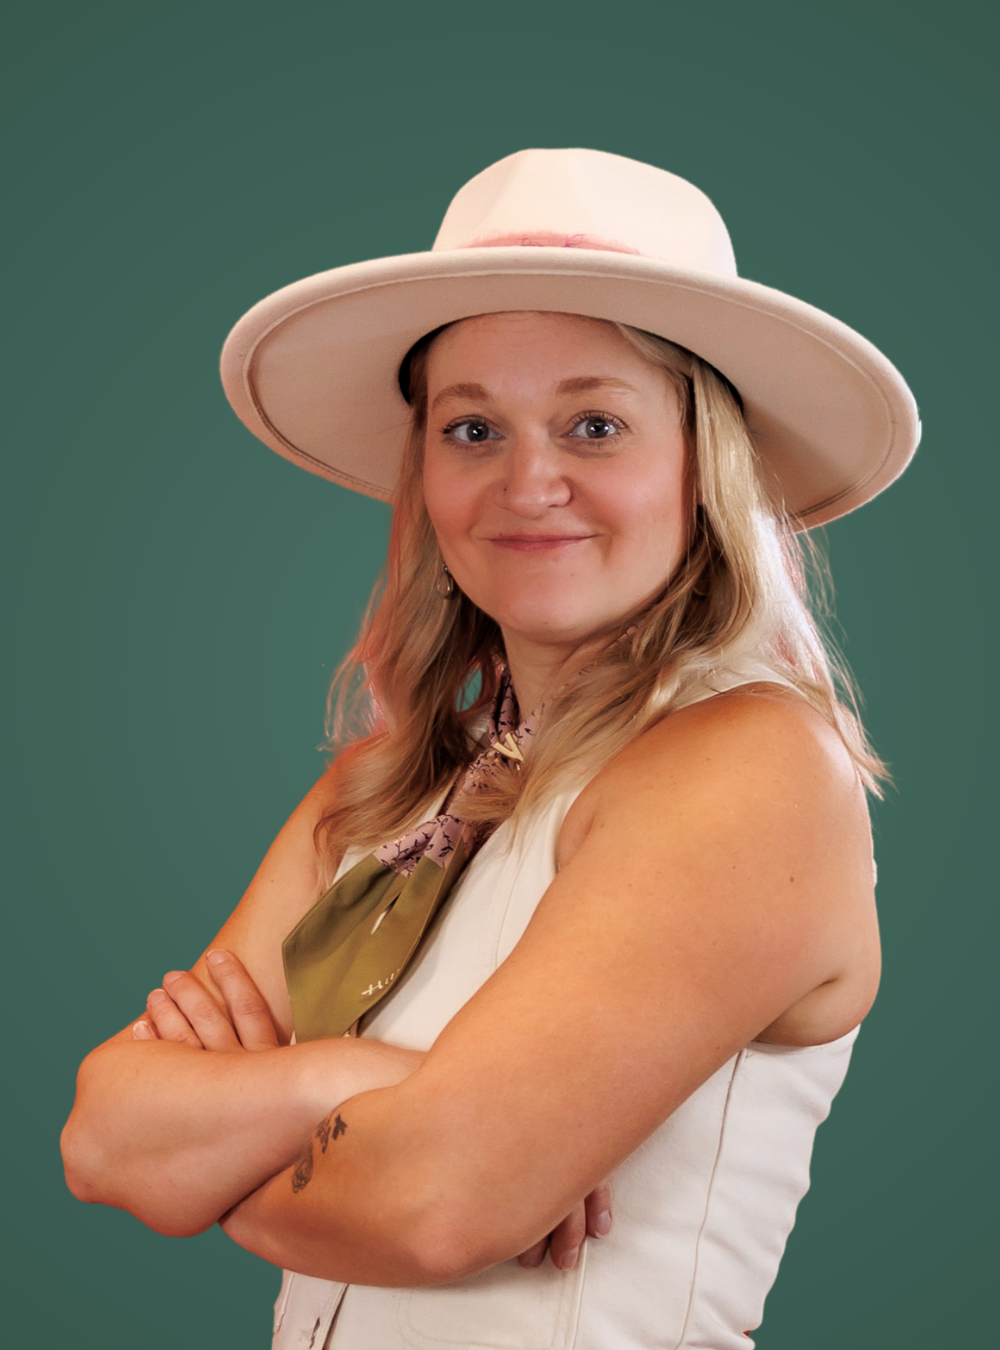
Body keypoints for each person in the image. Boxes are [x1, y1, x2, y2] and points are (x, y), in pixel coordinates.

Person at [61, 148, 919, 1349]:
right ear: (425, 470)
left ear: (703, 463)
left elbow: (431, 1205)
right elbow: (105, 1137)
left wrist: (224, 1156)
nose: (529, 482)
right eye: (472, 427)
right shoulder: (377, 792)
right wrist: (353, 1087)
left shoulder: (749, 765)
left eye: (593, 423)